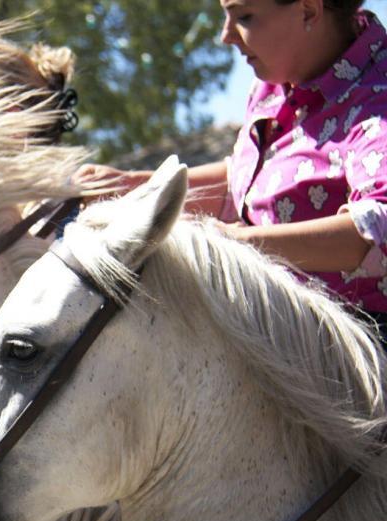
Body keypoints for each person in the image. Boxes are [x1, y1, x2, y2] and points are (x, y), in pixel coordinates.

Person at [75, 0, 387, 318]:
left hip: (358, 346)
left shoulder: (379, 97)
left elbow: (378, 231)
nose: (226, 36)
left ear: (308, 11)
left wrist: (230, 245)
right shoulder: (274, 81)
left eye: (245, 17)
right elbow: (253, 185)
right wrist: (134, 187)